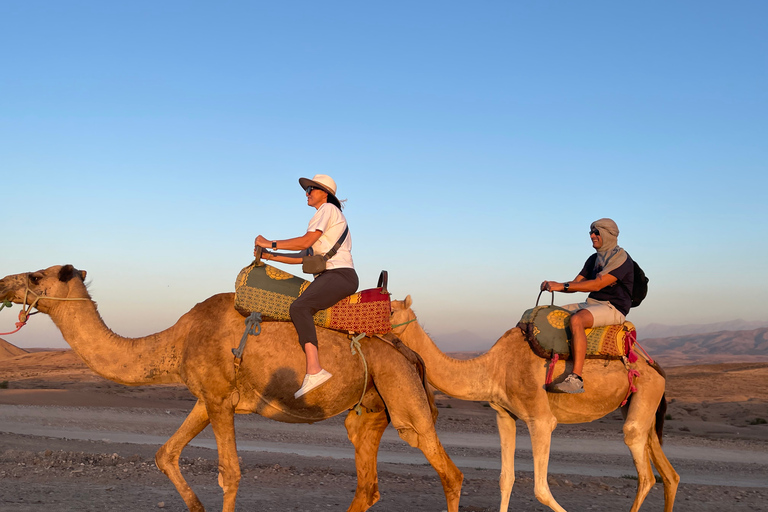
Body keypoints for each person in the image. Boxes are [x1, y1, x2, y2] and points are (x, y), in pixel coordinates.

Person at [254, 174, 358, 398]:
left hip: (338, 274)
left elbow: (304, 241)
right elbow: (304, 256)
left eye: (312, 189)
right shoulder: (327, 216)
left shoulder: (327, 210)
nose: (307, 193)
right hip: (332, 276)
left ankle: (314, 369)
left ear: (326, 194)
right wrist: (270, 255)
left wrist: (268, 242)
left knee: (299, 308)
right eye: (308, 189)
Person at [540, 218, 634, 394]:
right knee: (550, 314)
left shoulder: (621, 259)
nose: (592, 236)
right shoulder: (594, 259)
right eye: (591, 232)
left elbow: (597, 284)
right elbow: (577, 284)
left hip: (613, 307)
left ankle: (576, 378)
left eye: (596, 232)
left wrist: (562, 285)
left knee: (577, 320)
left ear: (607, 234)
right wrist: (554, 285)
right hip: (592, 303)